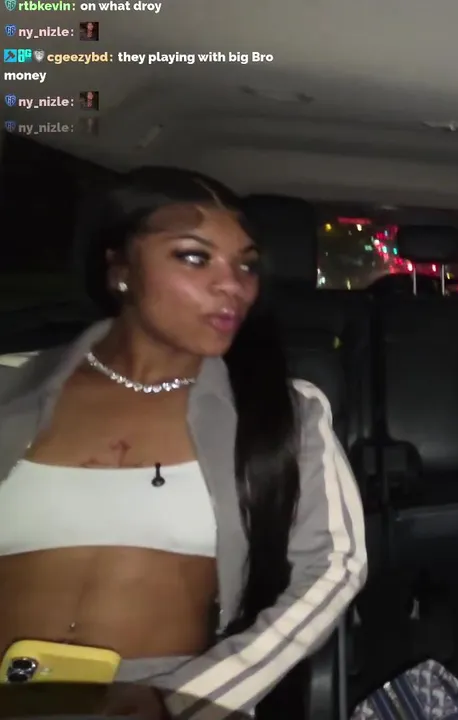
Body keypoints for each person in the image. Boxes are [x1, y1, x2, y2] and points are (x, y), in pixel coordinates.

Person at [0, 167, 367, 718]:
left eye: (246, 265)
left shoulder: (281, 411)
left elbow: (336, 565)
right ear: (119, 268)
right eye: (195, 257)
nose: (233, 285)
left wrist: (190, 698)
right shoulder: (9, 384)